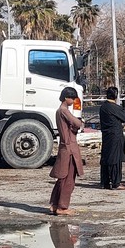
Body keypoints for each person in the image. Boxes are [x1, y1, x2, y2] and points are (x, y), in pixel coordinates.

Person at [49, 87, 84, 216]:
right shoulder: (64, 111)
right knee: (68, 179)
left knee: (62, 178)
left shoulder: (60, 111)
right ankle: (62, 207)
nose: (73, 100)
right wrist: (79, 122)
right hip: (69, 148)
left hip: (65, 147)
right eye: (72, 98)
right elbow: (77, 123)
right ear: (66, 98)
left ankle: (55, 204)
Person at [99, 86, 125, 190]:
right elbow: (124, 118)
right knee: (115, 159)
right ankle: (116, 182)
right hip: (115, 135)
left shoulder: (103, 107)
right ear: (116, 96)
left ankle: (105, 182)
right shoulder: (115, 107)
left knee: (106, 157)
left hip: (106, 135)